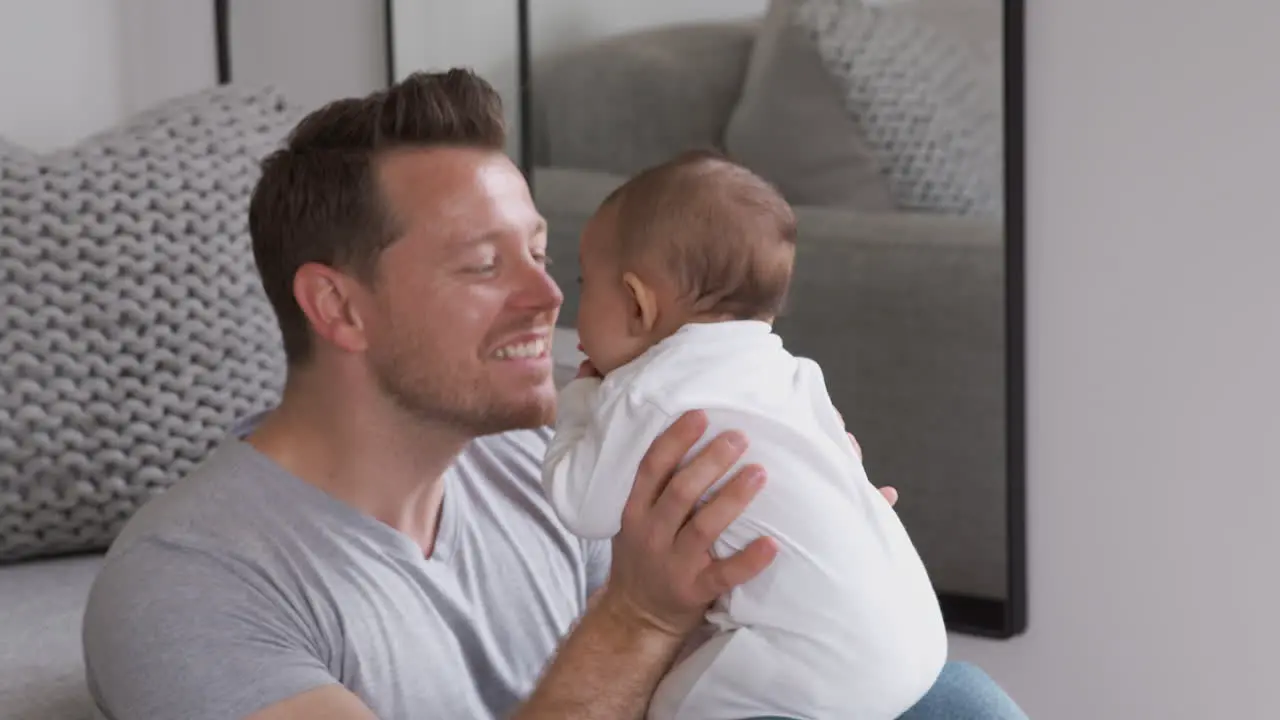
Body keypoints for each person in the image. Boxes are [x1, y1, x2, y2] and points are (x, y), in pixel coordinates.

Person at [80, 69, 1027, 720]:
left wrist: (787, 550)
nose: (548, 297)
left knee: (948, 699)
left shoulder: (545, 456)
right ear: (338, 305)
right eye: (486, 264)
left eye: (542, 252)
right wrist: (641, 612)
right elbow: (637, 636)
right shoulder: (193, 581)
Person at [542, 150, 947, 719]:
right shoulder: (791, 372)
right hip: (912, 633)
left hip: (817, 664)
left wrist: (580, 402)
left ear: (637, 302)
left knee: (672, 708)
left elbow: (580, 503)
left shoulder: (644, 393)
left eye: (585, 284)